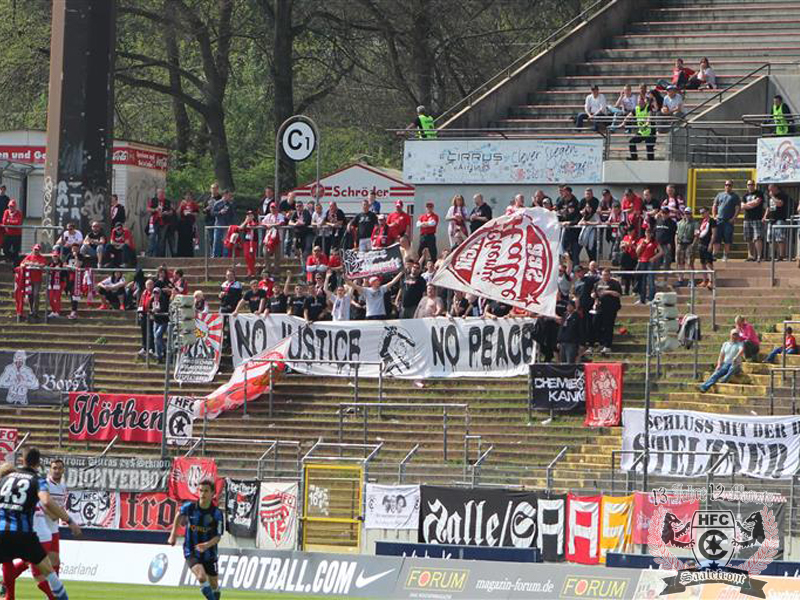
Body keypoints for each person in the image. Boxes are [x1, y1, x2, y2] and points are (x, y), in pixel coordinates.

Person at [0, 448, 77, 600]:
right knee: (47, 572)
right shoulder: (38, 480)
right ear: (39, 463)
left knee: (10, 564)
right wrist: (69, 520)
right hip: (28, 534)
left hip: (2, 531)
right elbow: (46, 501)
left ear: (22, 460)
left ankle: (7, 593)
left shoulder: (5, 481)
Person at [168, 479, 224, 600]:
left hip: (209, 553)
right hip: (191, 550)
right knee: (201, 577)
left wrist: (206, 545)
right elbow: (179, 515)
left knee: (214, 584)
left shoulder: (216, 513)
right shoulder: (190, 507)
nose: (203, 493)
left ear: (212, 493)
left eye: (206, 491)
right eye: (201, 490)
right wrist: (173, 535)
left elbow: (218, 537)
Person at [593, 269, 622, 354]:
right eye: (603, 275)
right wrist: (595, 299)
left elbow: (619, 294)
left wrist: (607, 292)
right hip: (600, 307)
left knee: (608, 326)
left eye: (606, 275)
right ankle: (601, 342)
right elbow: (596, 294)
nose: (604, 276)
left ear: (609, 275)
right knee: (595, 324)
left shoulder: (614, 283)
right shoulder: (598, 283)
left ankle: (607, 345)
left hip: (611, 308)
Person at [711, 180, 739, 261]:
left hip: (728, 221)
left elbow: (737, 208)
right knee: (716, 239)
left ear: (732, 186)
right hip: (719, 220)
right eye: (726, 185)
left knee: (727, 239)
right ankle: (714, 255)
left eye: (729, 185)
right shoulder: (720, 195)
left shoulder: (735, 196)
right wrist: (714, 216)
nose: (727, 186)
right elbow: (715, 205)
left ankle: (725, 255)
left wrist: (733, 218)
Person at [635, 228, 662, 305]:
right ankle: (642, 299)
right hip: (642, 262)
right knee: (642, 282)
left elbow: (661, 251)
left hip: (650, 262)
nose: (648, 234)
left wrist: (653, 258)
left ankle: (651, 298)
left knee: (651, 281)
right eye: (647, 232)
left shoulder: (654, 242)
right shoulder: (641, 240)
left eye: (650, 233)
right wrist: (641, 245)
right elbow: (637, 252)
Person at [20, 244, 48, 318]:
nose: (36, 251)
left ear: (39, 250)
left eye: (37, 250)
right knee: (30, 295)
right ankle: (31, 310)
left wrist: (36, 265)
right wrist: (30, 263)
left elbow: (43, 264)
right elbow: (22, 263)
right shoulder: (29, 256)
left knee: (36, 294)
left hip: (37, 280)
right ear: (33, 249)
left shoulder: (41, 257)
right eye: (35, 249)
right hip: (29, 279)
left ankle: (35, 311)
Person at [741, 180, 765, 262]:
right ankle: (751, 256)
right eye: (749, 184)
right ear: (747, 186)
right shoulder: (745, 195)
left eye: (752, 184)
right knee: (748, 238)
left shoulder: (759, 193)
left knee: (757, 238)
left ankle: (759, 256)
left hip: (757, 219)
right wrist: (751, 205)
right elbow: (742, 206)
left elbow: (757, 202)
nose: (750, 186)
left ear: (754, 185)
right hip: (747, 219)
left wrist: (747, 205)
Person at [763, 183, 789, 260]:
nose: (770, 191)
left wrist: (772, 196)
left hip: (780, 219)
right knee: (771, 239)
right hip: (771, 220)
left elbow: (779, 204)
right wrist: (764, 216)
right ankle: (773, 255)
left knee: (780, 238)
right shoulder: (770, 197)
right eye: (769, 190)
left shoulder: (782, 195)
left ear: (775, 187)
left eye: (771, 189)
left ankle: (781, 255)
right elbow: (768, 207)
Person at [628, 94, 656, 162]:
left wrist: (647, 123)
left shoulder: (648, 107)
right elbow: (629, 116)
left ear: (643, 101)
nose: (640, 103)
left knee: (649, 145)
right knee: (631, 142)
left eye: (641, 101)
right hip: (642, 131)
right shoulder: (636, 109)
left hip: (650, 131)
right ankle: (634, 157)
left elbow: (650, 116)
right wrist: (623, 122)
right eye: (638, 102)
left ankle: (651, 161)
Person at [675, 208, 698, 286]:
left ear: (691, 214)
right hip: (680, 244)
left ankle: (691, 280)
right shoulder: (680, 223)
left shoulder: (695, 223)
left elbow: (696, 235)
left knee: (690, 263)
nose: (687, 215)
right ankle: (680, 280)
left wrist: (693, 245)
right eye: (685, 213)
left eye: (688, 213)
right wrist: (676, 245)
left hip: (689, 243)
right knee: (680, 262)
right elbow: (676, 234)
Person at [211, 190, 235, 258]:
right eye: (229, 195)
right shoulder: (217, 203)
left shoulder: (230, 204)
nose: (230, 197)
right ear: (224, 195)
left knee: (225, 242)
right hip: (219, 225)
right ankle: (215, 256)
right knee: (216, 241)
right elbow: (212, 213)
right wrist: (220, 212)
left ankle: (225, 257)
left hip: (227, 226)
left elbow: (232, 215)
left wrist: (231, 224)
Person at [697, 207, 716, 289]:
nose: (702, 214)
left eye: (703, 212)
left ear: (708, 212)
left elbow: (714, 234)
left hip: (707, 243)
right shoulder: (703, 221)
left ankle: (712, 281)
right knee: (702, 263)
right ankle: (705, 280)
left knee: (709, 263)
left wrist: (711, 244)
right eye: (701, 213)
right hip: (701, 243)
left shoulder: (712, 221)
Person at [177, 192, 200, 257]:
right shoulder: (182, 203)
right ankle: (180, 254)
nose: (187, 197)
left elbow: (197, 213)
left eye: (189, 196)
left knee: (190, 239)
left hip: (190, 223)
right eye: (186, 195)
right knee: (181, 239)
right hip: (182, 223)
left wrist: (191, 213)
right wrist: (181, 205)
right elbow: (177, 212)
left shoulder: (193, 204)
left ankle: (189, 254)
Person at [2, 199, 23, 265]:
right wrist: (12, 221)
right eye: (10, 206)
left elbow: (18, 222)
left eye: (12, 206)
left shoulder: (19, 213)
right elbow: (4, 222)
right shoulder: (6, 212)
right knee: (5, 249)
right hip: (8, 234)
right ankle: (11, 259)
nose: (11, 208)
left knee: (16, 251)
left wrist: (9, 221)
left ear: (15, 207)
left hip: (16, 235)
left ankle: (15, 266)